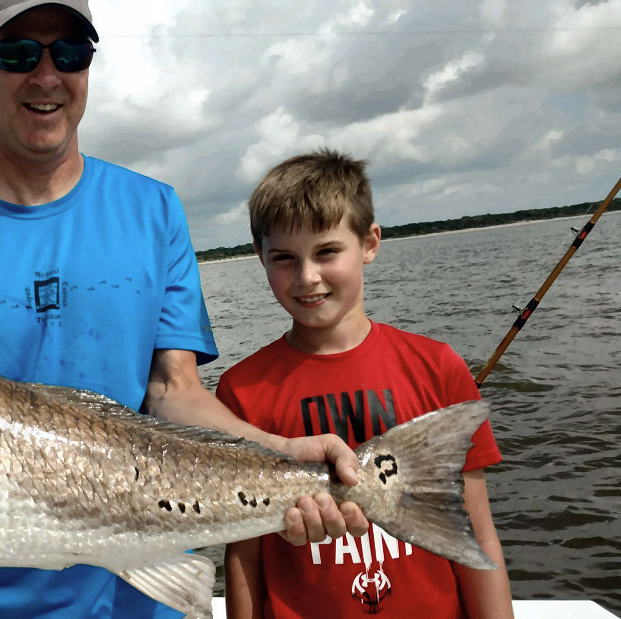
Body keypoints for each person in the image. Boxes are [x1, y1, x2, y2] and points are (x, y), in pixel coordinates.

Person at [0, 3, 371, 617]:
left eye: (70, 53)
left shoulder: (154, 209)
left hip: (139, 590)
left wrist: (277, 454)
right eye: (18, 53)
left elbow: (172, 388)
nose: (47, 75)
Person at [218, 149, 514, 618]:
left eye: (327, 252)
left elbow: (476, 533)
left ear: (370, 242)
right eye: (283, 258)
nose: (307, 277)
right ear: (260, 257)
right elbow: (244, 552)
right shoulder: (240, 390)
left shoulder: (437, 366)